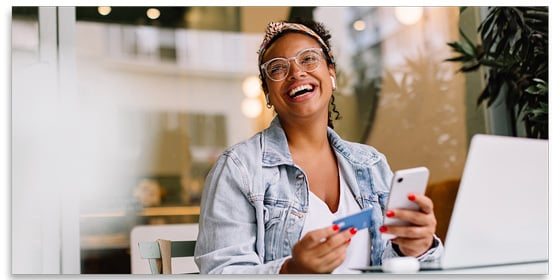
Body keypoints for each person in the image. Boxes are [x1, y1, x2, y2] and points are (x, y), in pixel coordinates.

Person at [194, 19, 443, 274]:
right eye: (278, 68)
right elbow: (219, 272)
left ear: (331, 73)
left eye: (308, 59)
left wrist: (416, 248)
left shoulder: (371, 163)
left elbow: (391, 262)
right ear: (267, 93)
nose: (296, 73)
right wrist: (292, 270)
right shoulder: (239, 168)